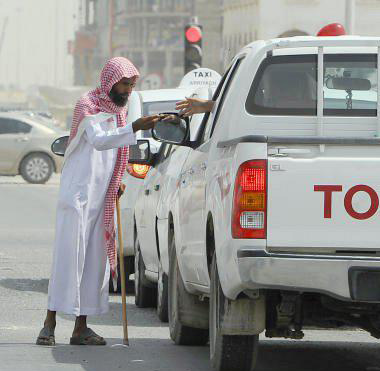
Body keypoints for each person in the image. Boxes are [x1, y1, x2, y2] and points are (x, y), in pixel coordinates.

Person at [36, 57, 162, 346]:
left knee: (95, 264)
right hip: (78, 195)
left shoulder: (120, 111)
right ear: (110, 80)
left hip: (102, 196)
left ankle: (81, 328)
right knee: (69, 258)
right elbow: (100, 141)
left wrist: (115, 182)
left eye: (132, 85)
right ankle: (49, 323)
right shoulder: (88, 104)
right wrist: (135, 127)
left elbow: (114, 154)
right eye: (125, 84)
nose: (129, 90)